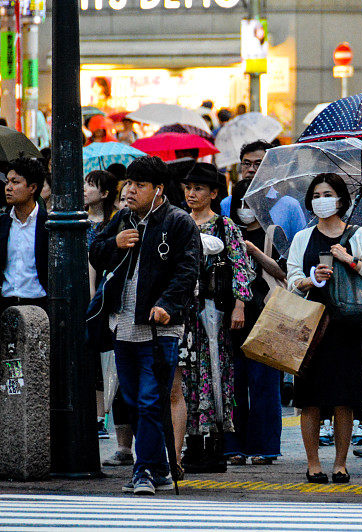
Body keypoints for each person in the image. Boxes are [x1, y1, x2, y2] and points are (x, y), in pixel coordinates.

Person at [89, 155, 202, 495]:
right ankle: (161, 468)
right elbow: (97, 252)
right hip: (123, 324)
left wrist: (167, 305)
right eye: (129, 184)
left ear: (158, 189)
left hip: (160, 327)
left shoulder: (178, 221)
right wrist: (115, 243)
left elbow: (189, 269)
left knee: (152, 399)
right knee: (136, 400)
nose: (130, 191)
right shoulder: (122, 217)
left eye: (139, 185)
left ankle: (144, 472)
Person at [286, 172, 362, 484]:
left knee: (345, 397)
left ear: (341, 200)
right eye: (316, 195)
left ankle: (341, 464)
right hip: (311, 325)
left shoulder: (359, 234)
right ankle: (313, 463)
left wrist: (349, 259)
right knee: (310, 398)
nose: (321, 201)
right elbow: (291, 280)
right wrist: (312, 278)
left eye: (327, 194)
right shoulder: (302, 238)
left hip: (347, 325)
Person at [179, 163, 254, 474]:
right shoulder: (178, 223)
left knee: (215, 372)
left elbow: (242, 269)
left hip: (214, 313)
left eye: (198, 188)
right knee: (187, 377)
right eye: (188, 188)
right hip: (183, 314)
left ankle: (216, 445)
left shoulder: (225, 226)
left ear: (213, 193)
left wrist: (240, 306)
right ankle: (192, 444)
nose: (191, 194)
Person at [225, 178, 285, 465]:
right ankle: (233, 446)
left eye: (251, 203)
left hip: (267, 317)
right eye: (240, 203)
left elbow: (284, 274)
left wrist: (255, 252)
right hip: (232, 319)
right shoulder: (226, 232)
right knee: (233, 384)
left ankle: (265, 447)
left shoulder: (274, 232)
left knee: (264, 386)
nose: (245, 209)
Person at [84, 169, 120, 439]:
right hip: (85, 293)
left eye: (92, 185)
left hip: (105, 295)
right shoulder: (79, 220)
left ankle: (101, 415)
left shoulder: (111, 223)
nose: (85, 189)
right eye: (84, 183)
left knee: (105, 360)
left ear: (105, 194)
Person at [220, 140, 307, 242]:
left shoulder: (289, 205)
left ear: (272, 168)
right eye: (246, 163)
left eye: (258, 164)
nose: (251, 169)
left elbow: (301, 245)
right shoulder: (227, 203)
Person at [0, 157, 48, 315]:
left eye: (15, 182)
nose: (8, 187)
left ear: (32, 187)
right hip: (6, 303)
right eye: (7, 182)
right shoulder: (3, 223)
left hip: (39, 304)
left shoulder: (48, 224)